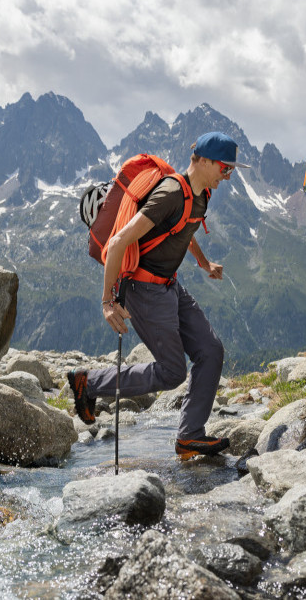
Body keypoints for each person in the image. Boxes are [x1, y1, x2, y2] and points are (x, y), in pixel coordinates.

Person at [68, 132, 249, 460]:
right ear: (204, 160)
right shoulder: (170, 193)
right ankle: (88, 383)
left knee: (210, 350)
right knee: (173, 371)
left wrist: (205, 263)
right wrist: (108, 302)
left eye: (231, 169)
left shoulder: (202, 194)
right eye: (225, 167)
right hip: (143, 289)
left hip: (169, 285)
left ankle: (189, 437)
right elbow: (119, 242)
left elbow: (183, 229)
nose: (228, 174)